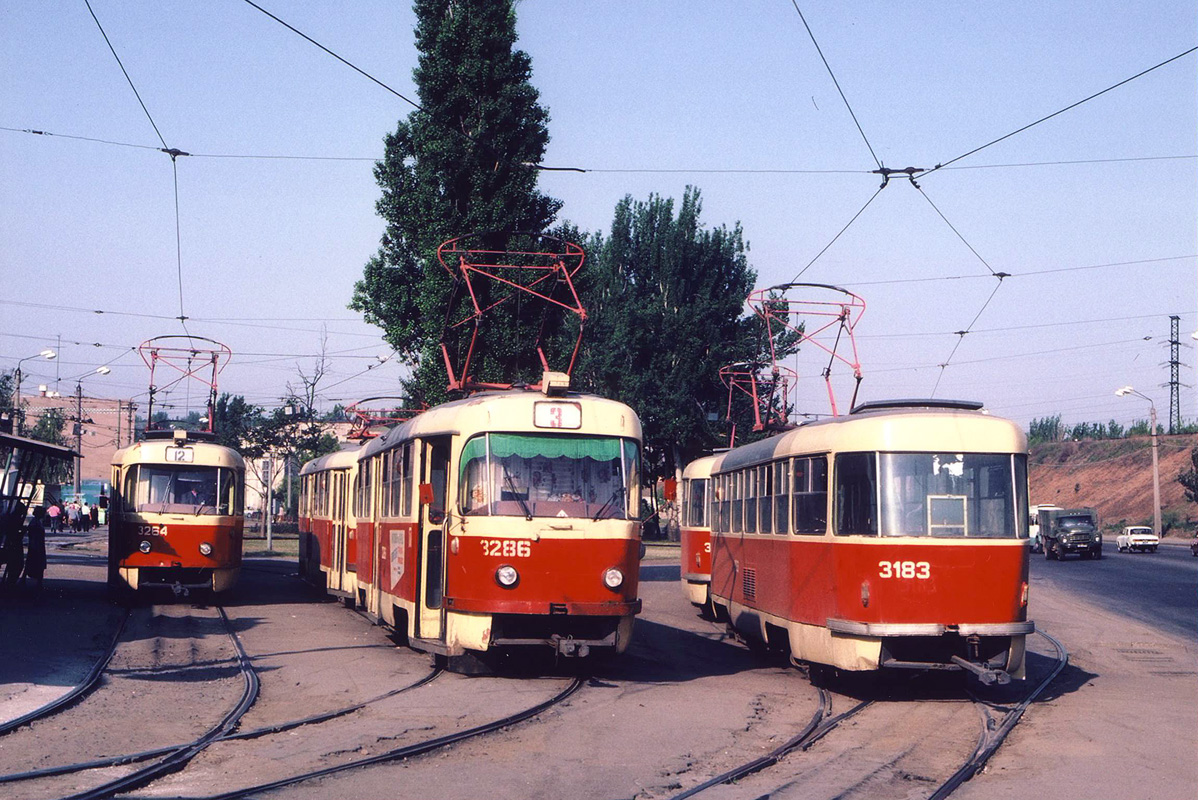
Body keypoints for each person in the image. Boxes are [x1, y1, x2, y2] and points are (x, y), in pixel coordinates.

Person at [22, 506, 46, 591]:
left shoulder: (36, 522)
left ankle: (34, 581)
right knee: (38, 564)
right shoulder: (35, 523)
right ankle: (37, 583)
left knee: (32, 563)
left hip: (36, 544)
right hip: (36, 545)